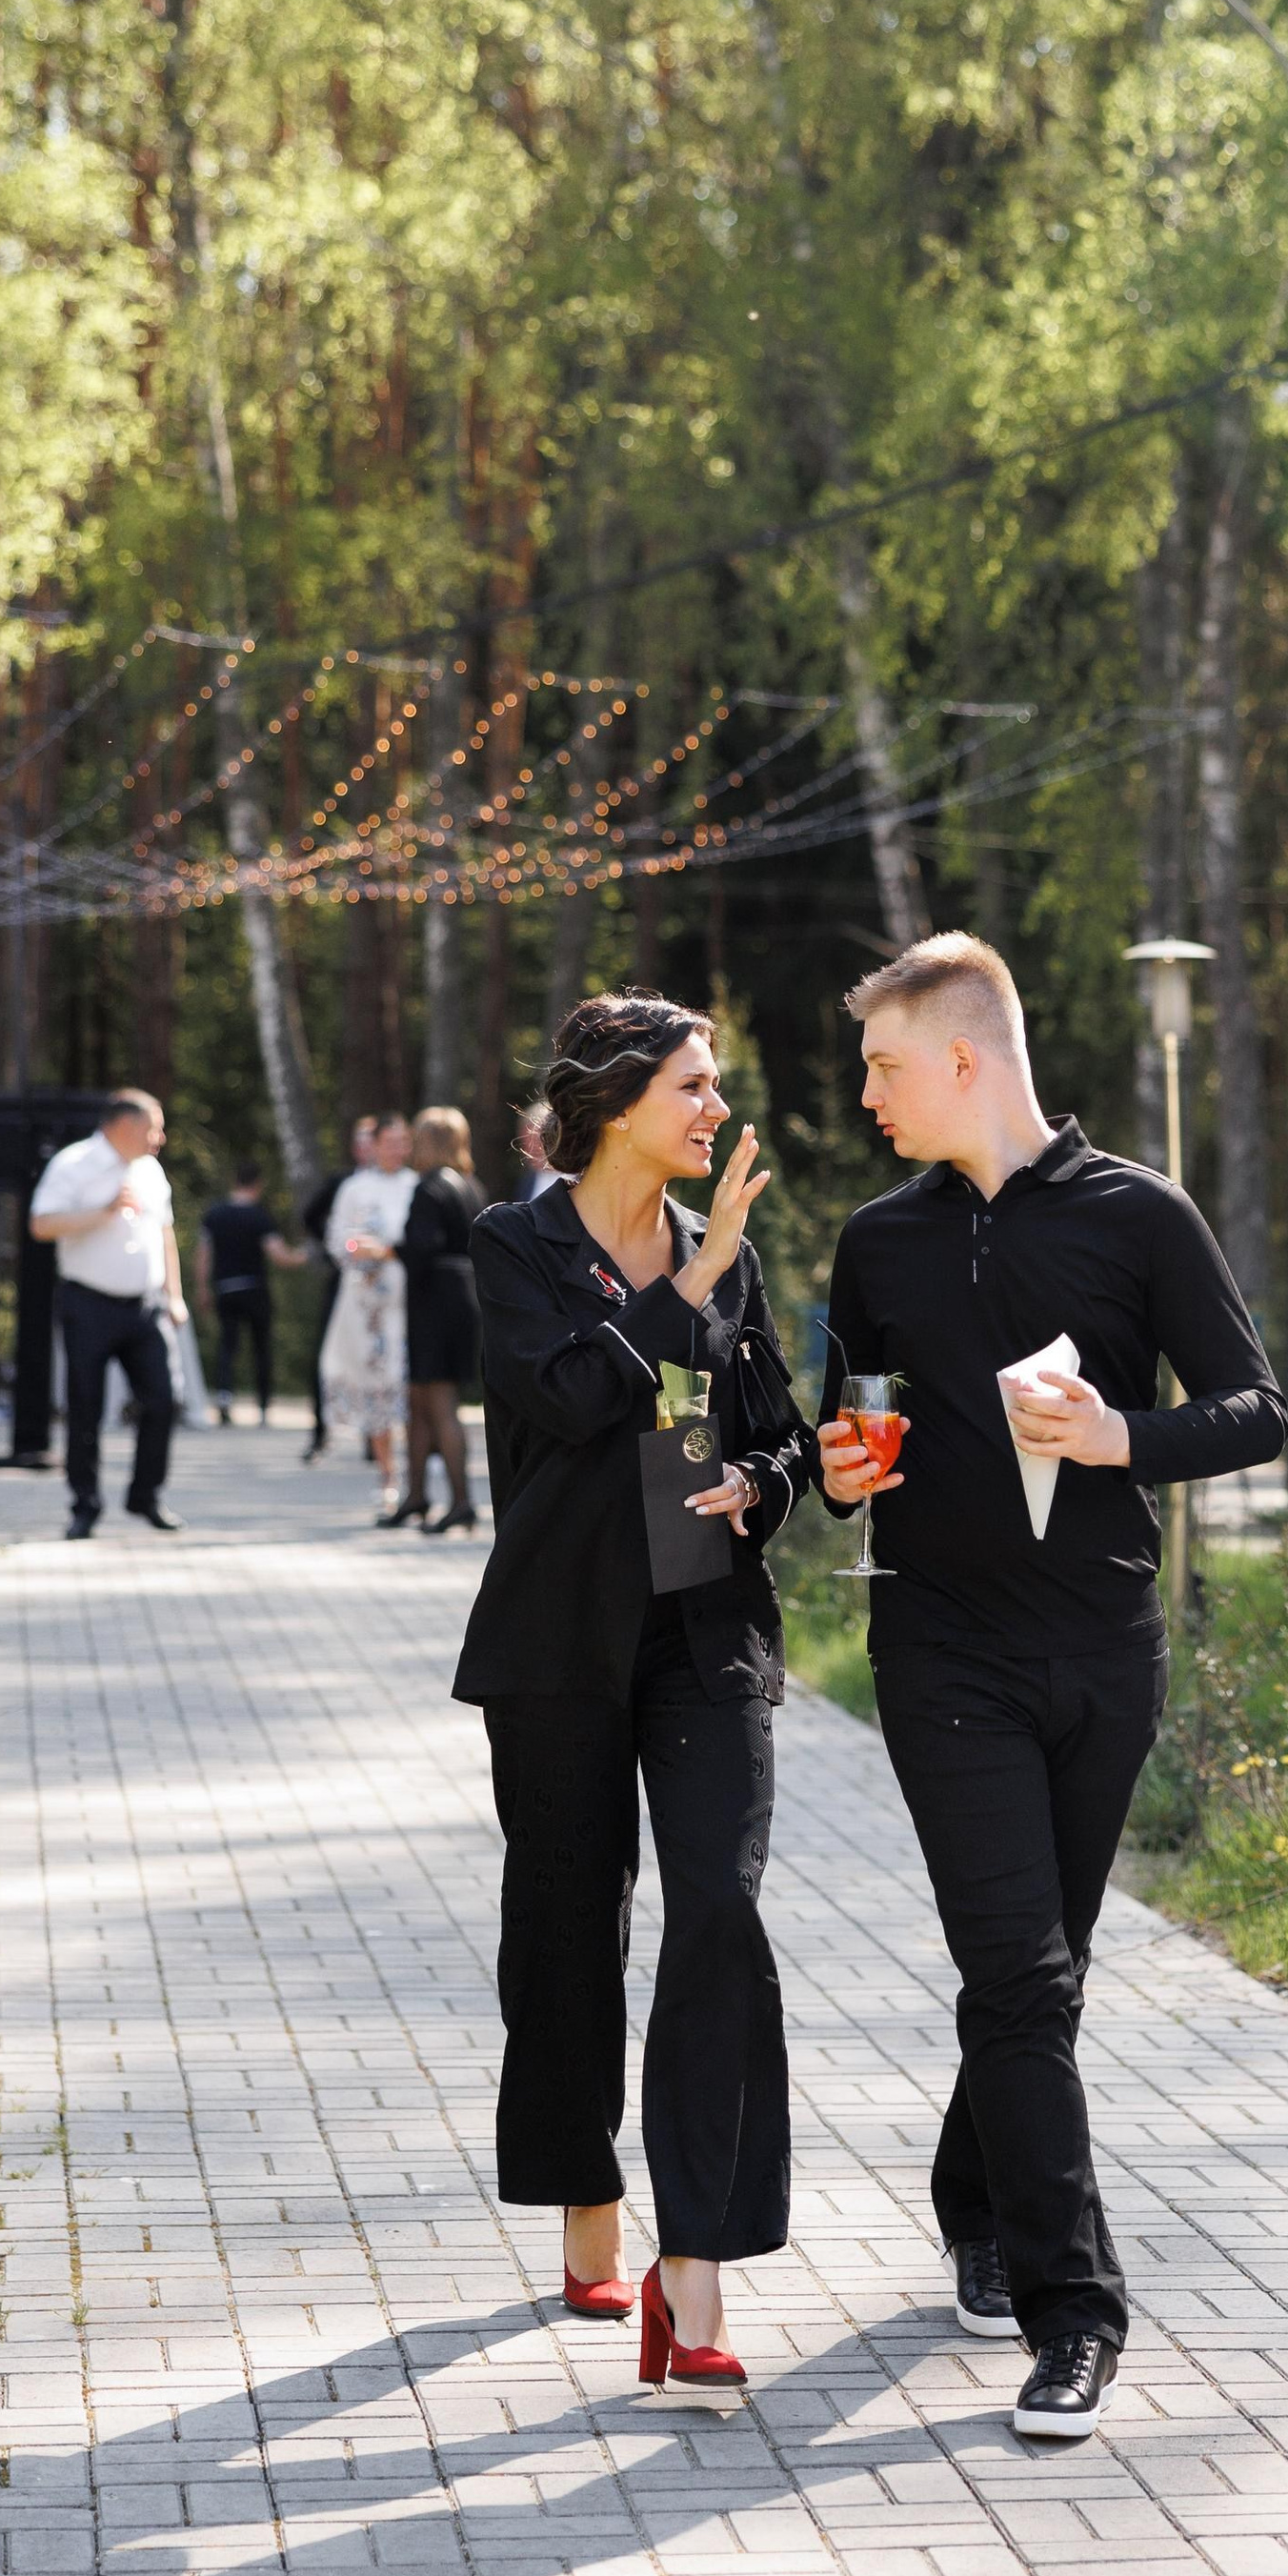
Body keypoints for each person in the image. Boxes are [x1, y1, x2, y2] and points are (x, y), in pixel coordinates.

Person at [816, 932, 1285, 2444]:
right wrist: (844, 1462)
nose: (869, 1094)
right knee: (1020, 1978)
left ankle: (974, 2197)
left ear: (964, 1058)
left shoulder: (1140, 1216)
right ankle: (1074, 2314)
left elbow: (1258, 1409)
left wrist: (1120, 1441)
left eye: (886, 1066)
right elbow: (852, 1417)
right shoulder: (879, 1239)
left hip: (1103, 1653)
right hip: (941, 1654)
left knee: (1044, 1977)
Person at [453, 993, 812, 2387]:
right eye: (694, 1087)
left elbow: (775, 1436)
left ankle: (698, 2265)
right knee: (564, 1926)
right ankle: (586, 2202)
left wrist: (766, 1483)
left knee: (719, 1910)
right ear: (612, 1105)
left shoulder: (736, 1259)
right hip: (557, 1643)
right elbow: (572, 1402)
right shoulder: (514, 1244)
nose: (717, 1111)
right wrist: (689, 1277)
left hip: (704, 1630)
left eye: (715, 1087)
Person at [29, 1087, 189, 1541]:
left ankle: (145, 1497)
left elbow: (165, 1233)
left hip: (145, 1306)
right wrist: (101, 1212)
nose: (160, 1137)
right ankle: (85, 1505)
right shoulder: (73, 1164)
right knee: (85, 1409)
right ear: (125, 1126)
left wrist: (174, 1296)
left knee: (164, 1400)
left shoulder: (152, 1171)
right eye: (153, 1126)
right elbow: (41, 1224)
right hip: (89, 1303)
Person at [317, 1114, 415, 1520]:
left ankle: (416, 1477)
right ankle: (388, 1477)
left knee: (408, 1385)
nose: (395, 1149)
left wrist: (388, 1251)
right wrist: (357, 1247)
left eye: (401, 1141)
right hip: (365, 1305)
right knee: (377, 1387)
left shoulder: (415, 1185)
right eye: (387, 1141)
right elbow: (337, 1238)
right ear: (373, 1145)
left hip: (406, 1300)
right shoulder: (354, 1188)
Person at [402, 1107, 487, 1532]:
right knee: (422, 1400)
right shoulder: (472, 1187)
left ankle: (460, 1501)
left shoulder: (429, 1188)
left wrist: (389, 1251)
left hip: (434, 1302)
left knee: (439, 1403)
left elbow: (421, 1248)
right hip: (466, 1297)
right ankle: (415, 1495)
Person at [195, 1164, 303, 1426]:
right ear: (258, 1184)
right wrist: (304, 1256)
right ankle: (263, 1406)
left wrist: (202, 1287)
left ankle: (224, 1398)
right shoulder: (259, 1216)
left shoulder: (215, 1214)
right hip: (254, 1288)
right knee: (261, 1347)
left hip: (225, 1288)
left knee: (227, 1346)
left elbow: (203, 1255)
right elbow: (278, 1255)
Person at [302, 1117, 376, 1461]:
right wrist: (335, 1252)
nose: (365, 1146)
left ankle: (374, 1436)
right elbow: (310, 1216)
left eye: (370, 1139)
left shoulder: (400, 1182)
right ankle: (320, 1431)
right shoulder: (342, 1182)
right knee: (328, 1351)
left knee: (375, 1357)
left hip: (384, 1287)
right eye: (359, 1140)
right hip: (345, 1280)